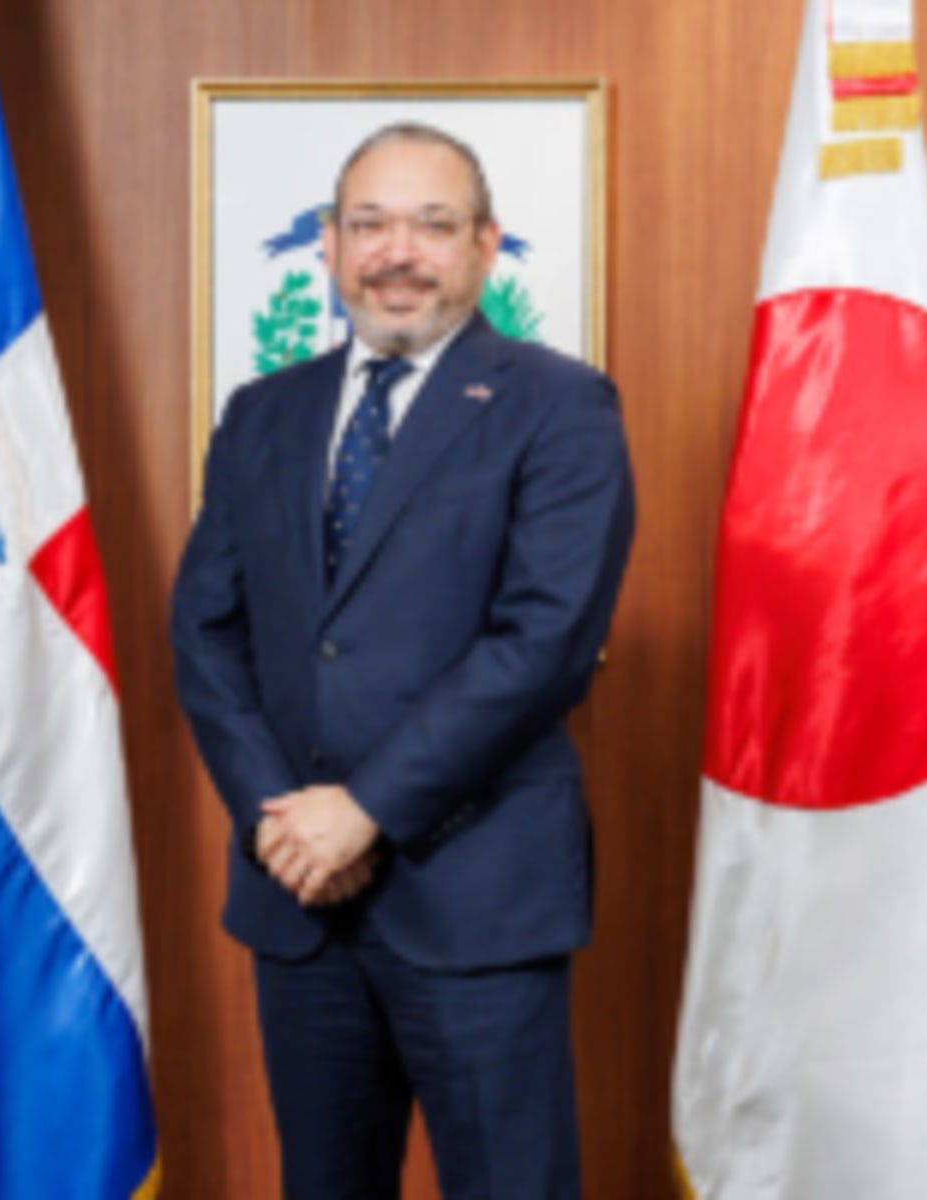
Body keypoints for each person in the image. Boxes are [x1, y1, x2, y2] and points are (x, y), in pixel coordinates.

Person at [172, 122, 635, 1200]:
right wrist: (279, 818)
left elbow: (546, 641)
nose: (398, 252)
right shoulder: (261, 415)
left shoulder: (561, 407)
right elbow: (206, 632)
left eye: (433, 225)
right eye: (370, 223)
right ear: (328, 247)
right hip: (298, 894)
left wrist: (365, 808)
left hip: (477, 895)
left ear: (485, 246)